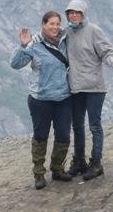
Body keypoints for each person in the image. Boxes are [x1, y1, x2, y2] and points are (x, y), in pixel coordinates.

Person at [62, 0, 113, 180]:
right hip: (76, 86)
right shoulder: (66, 32)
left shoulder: (93, 31)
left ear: (83, 14)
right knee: (77, 125)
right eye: (70, 12)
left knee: (94, 125)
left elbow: (106, 52)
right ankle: (79, 161)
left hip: (95, 87)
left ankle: (96, 163)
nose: (73, 15)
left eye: (77, 12)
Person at [10, 11, 74, 189]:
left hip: (63, 98)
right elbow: (15, 64)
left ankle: (57, 169)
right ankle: (39, 173)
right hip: (41, 99)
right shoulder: (34, 44)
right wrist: (22, 46)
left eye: (57, 24)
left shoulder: (65, 42)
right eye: (51, 24)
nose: (54, 27)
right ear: (43, 24)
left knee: (63, 135)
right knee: (41, 136)